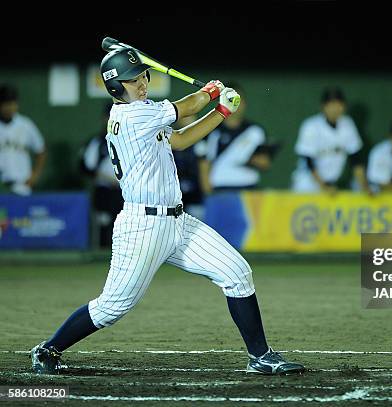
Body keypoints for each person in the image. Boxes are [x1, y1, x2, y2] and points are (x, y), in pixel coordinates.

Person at [30, 47, 304, 376]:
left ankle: (260, 356)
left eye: (143, 76)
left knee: (237, 273)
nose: (142, 83)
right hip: (142, 227)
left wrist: (220, 113)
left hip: (177, 221)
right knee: (112, 307)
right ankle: (48, 349)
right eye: (132, 81)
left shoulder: (145, 112)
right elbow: (186, 107)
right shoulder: (132, 116)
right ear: (116, 87)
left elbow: (180, 140)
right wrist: (210, 92)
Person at [195, 82, 275, 193]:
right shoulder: (210, 131)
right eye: (230, 99)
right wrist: (209, 195)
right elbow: (203, 163)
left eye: (239, 100)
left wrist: (257, 161)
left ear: (245, 103)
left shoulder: (256, 131)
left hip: (249, 189)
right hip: (221, 189)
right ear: (221, 102)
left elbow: (265, 163)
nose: (235, 104)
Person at [291, 87, 370, 194]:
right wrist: (324, 186)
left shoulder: (348, 124)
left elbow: (355, 159)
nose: (335, 109)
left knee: (362, 189)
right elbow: (308, 162)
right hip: (308, 182)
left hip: (332, 184)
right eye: (331, 105)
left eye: (338, 104)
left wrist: (364, 186)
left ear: (344, 106)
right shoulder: (311, 126)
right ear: (323, 107)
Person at [79, 103, 123, 248]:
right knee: (104, 221)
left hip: (126, 192)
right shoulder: (97, 142)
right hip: (104, 191)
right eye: (109, 117)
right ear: (104, 119)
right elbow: (86, 168)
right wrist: (106, 178)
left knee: (125, 225)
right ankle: (102, 254)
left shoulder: (129, 140)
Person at [0, 84, 46, 195]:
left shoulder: (25, 125)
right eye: (5, 104)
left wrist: (35, 176)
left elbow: (41, 151)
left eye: (12, 104)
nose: (9, 108)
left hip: (21, 185)